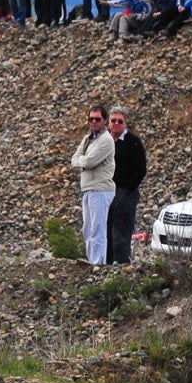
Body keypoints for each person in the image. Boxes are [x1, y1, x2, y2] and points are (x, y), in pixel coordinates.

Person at [71, 105, 117, 265]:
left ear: (104, 120)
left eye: (97, 119)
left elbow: (89, 161)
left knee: (98, 229)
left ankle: (98, 262)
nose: (94, 122)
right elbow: (74, 158)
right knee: (88, 229)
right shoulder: (88, 139)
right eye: (91, 119)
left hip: (101, 189)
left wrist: (82, 161)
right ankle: (92, 261)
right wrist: (82, 160)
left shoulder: (106, 140)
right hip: (89, 188)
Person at [106, 108, 146, 265]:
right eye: (113, 120)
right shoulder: (105, 141)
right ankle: (108, 263)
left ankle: (123, 264)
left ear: (126, 123)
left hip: (125, 192)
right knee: (106, 229)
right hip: (107, 191)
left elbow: (141, 169)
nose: (116, 124)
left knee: (121, 230)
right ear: (108, 122)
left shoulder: (132, 142)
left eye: (119, 121)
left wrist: (128, 188)